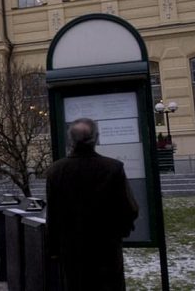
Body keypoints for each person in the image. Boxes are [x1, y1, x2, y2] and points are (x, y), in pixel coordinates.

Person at [46, 118, 138, 291]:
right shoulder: (113, 168)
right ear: (96, 138)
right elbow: (129, 208)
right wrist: (121, 231)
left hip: (72, 250)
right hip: (106, 248)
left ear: (70, 141)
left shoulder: (56, 171)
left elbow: (53, 214)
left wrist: (54, 248)